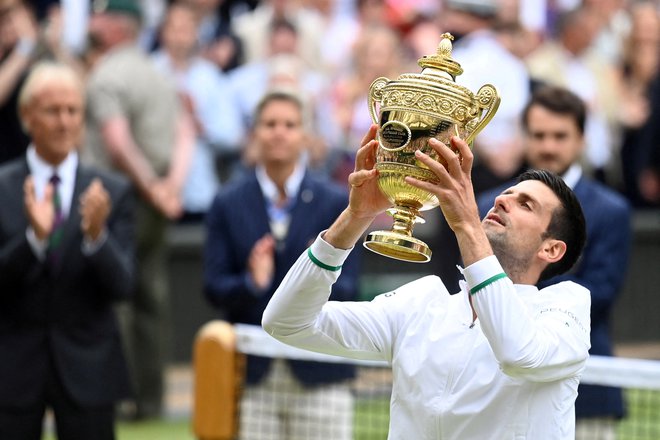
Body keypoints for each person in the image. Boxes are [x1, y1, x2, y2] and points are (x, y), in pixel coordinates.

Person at [262, 124, 591, 439]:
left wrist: (467, 227)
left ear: (551, 249)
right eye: (507, 193)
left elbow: (518, 354)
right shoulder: (422, 303)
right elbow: (286, 323)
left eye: (526, 205)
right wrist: (355, 216)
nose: (502, 200)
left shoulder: (566, 306)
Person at [204, 90, 361, 440]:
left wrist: (320, 270)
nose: (279, 132)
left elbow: (351, 289)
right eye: (270, 124)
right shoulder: (227, 202)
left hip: (321, 371)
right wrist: (250, 283)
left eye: (289, 125)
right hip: (252, 375)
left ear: (305, 135)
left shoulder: (337, 201)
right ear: (255, 133)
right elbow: (213, 287)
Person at [476, 86, 631, 439]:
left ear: (581, 139)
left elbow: (601, 293)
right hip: (495, 380)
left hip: (589, 385)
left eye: (560, 136)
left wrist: (512, 293)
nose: (548, 146)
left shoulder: (611, 211)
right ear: (525, 138)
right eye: (539, 135)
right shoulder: (488, 203)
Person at [0, 61, 134, 439]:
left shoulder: (112, 191)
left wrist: (96, 236)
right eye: (52, 110)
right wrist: (34, 240)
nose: (63, 122)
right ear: (27, 116)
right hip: (12, 370)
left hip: (88, 368)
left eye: (72, 110)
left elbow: (124, 286)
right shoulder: (4, 188)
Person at [83, 0, 194, 419]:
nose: (94, 22)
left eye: (100, 15)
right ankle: (151, 401)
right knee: (153, 297)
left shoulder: (106, 75)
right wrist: (170, 189)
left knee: (115, 297)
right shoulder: (159, 75)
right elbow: (185, 133)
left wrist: (149, 187)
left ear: (116, 26)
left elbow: (116, 141)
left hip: (117, 198)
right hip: (157, 199)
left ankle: (115, 400)